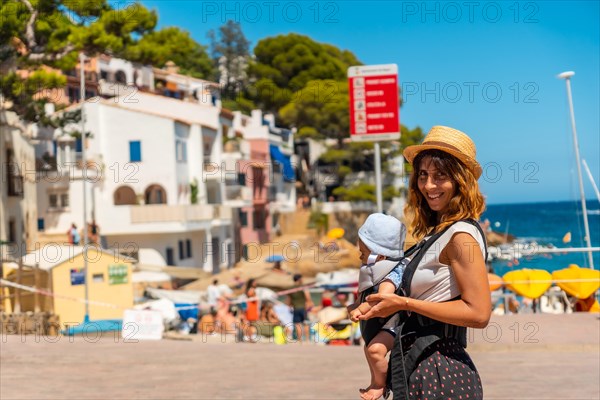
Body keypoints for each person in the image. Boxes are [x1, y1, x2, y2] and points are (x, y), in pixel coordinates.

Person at [359, 126, 491, 400]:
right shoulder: (439, 233)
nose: (429, 185)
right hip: (422, 366)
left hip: (441, 370)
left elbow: (479, 313)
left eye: (440, 176)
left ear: (460, 180)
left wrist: (404, 304)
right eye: (423, 175)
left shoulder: (461, 237)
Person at [346, 213, 407, 400]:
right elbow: (364, 293)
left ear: (378, 255)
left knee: (375, 350)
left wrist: (361, 309)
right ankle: (375, 381)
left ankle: (381, 385)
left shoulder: (393, 272)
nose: (359, 256)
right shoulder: (374, 268)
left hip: (393, 326)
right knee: (369, 349)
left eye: (363, 253)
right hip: (380, 324)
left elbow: (382, 297)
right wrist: (355, 305)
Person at [287, 274, 313, 343]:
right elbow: (308, 297)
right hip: (303, 308)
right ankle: (307, 340)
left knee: (297, 324)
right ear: (299, 279)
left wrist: (290, 306)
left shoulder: (291, 288)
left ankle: (299, 340)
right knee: (306, 323)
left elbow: (289, 301)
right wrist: (310, 304)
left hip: (295, 308)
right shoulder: (303, 287)